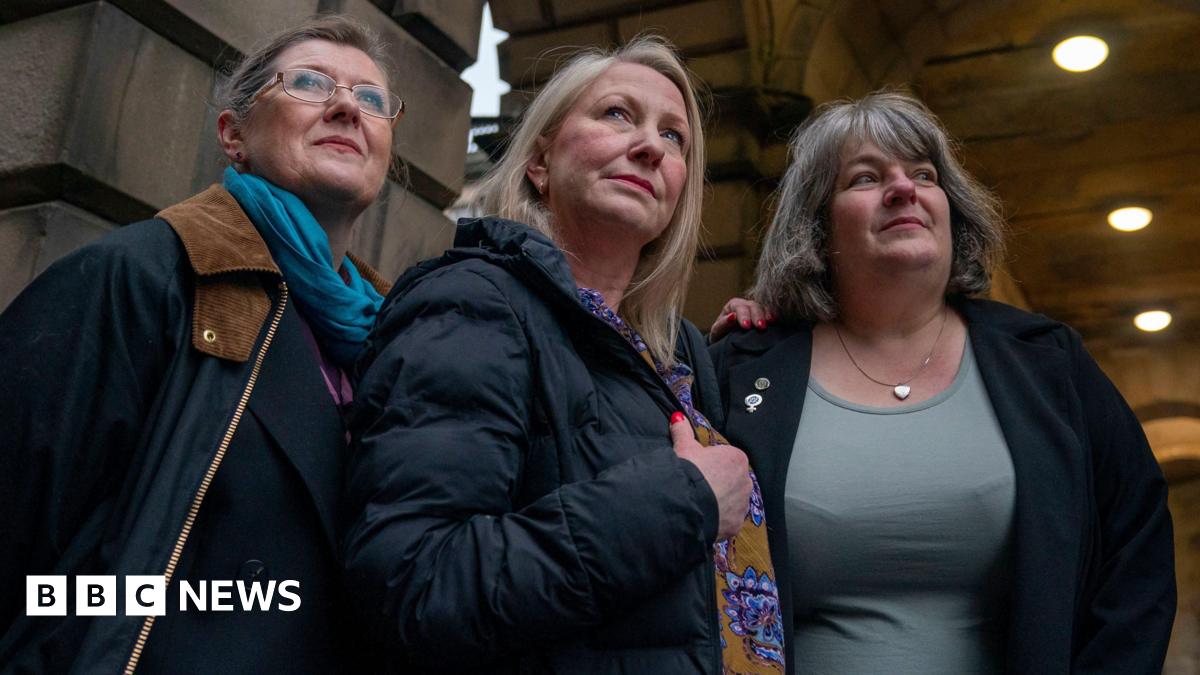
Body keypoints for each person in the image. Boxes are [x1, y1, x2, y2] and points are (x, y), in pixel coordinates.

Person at [343, 36, 785, 673]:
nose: (649, 147)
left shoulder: (683, 353)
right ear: (540, 162)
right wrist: (681, 501)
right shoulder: (471, 301)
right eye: (615, 114)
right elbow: (415, 581)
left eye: (674, 137)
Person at [708, 90, 1175, 674]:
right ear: (816, 227)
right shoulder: (748, 370)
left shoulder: (1046, 362)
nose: (903, 188)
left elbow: (1138, 547)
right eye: (864, 178)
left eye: (923, 174)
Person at [0, 16, 402, 672]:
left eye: (372, 99)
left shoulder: (398, 348)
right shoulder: (143, 275)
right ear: (233, 134)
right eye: (309, 83)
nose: (345, 107)